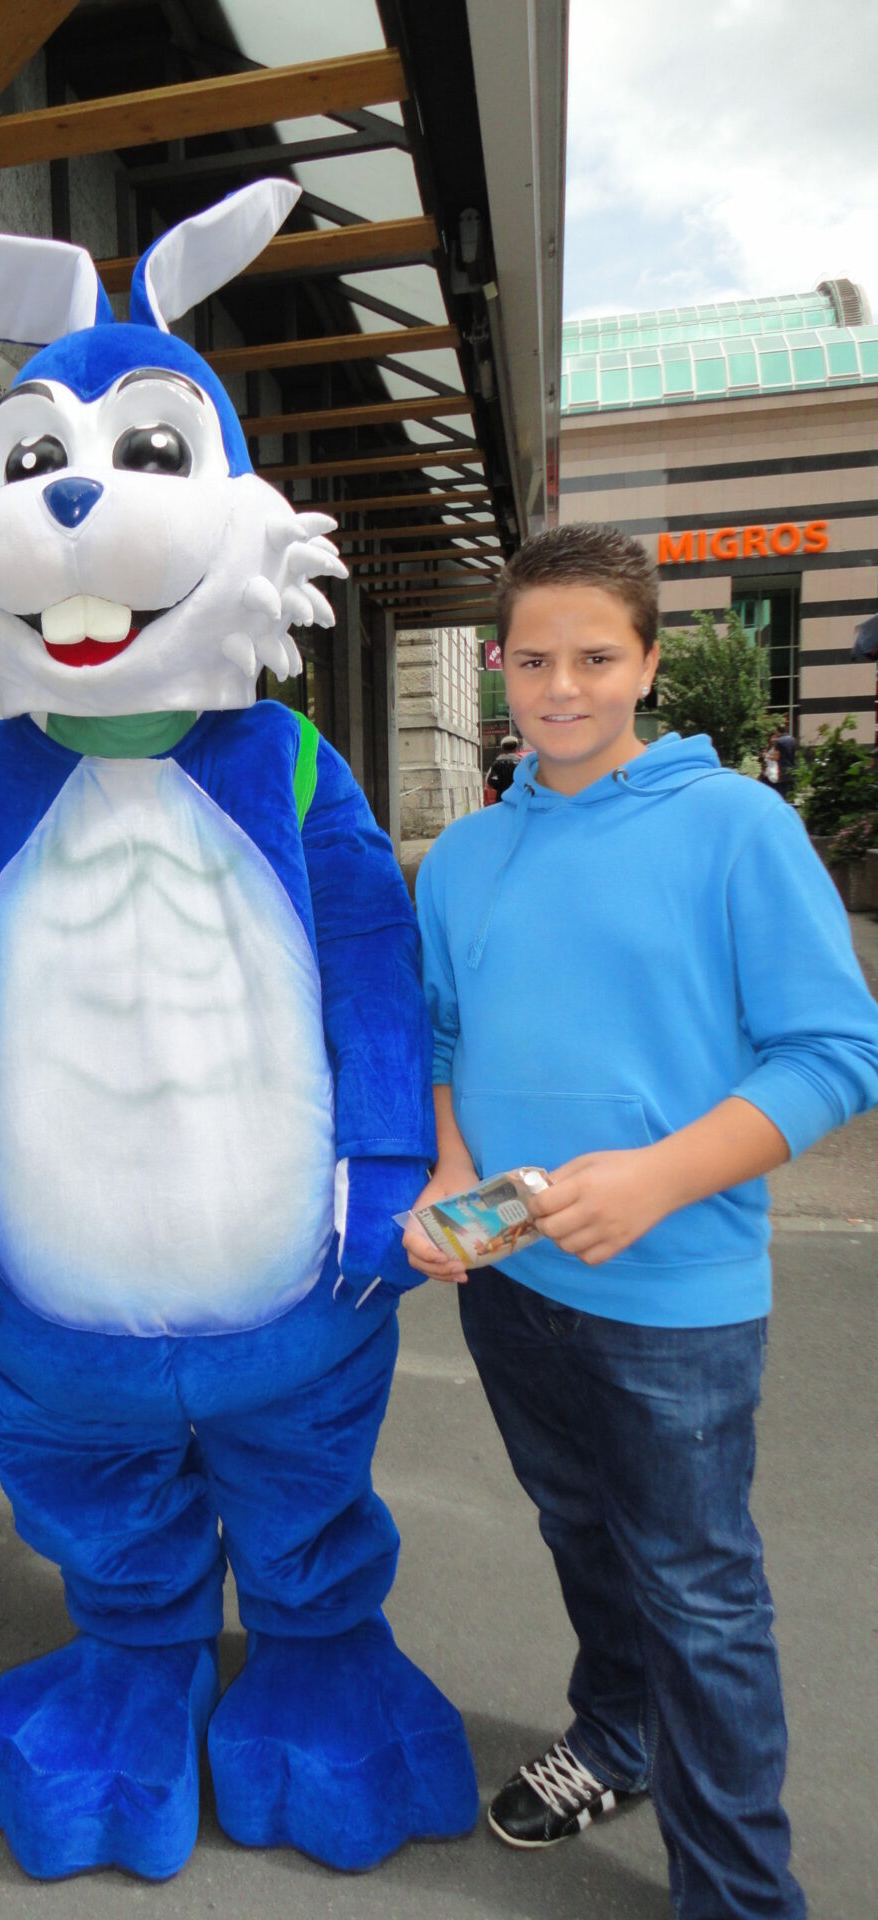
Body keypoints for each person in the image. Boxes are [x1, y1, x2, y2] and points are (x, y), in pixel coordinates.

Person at [405, 522, 878, 1919]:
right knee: (581, 1534)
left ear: (651, 664)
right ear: (498, 665)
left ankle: (738, 1893)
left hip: (678, 1299)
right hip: (513, 1282)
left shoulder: (737, 826)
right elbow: (444, 1037)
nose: (561, 688)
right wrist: (447, 1173)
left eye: (596, 658)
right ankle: (615, 1736)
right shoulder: (466, 856)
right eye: (532, 660)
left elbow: (834, 1052)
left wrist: (660, 1176)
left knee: (698, 1595)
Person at [483, 733, 523, 805]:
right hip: (518, 800)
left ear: (503, 749)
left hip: (501, 800)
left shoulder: (496, 764)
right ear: (516, 748)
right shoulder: (521, 764)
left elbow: (489, 781)